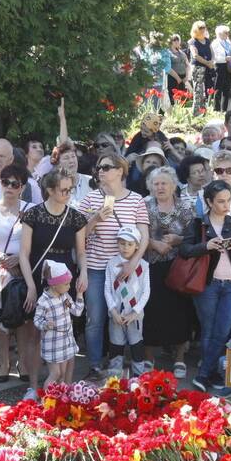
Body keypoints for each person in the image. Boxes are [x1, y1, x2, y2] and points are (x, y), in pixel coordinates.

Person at [18, 170, 88, 398]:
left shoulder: (76, 217)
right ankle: (33, 385)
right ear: (49, 190)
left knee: (67, 333)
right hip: (39, 276)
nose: (68, 194)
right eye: (64, 190)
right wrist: (30, 285)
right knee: (35, 333)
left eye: (71, 189)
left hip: (66, 278)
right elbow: (24, 253)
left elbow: (81, 252)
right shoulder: (33, 214)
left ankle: (66, 387)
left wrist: (84, 274)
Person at [78, 152, 149, 378]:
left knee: (127, 316)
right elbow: (79, 235)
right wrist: (96, 218)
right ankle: (95, 364)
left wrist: (134, 262)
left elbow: (144, 236)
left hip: (127, 269)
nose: (100, 170)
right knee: (96, 318)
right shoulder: (90, 199)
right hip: (98, 267)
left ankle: (123, 363)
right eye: (99, 167)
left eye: (106, 167)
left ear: (120, 171)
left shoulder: (136, 199)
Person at [179, 179, 231, 391]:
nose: (226, 205)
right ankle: (212, 374)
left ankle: (204, 373)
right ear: (209, 201)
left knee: (224, 330)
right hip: (207, 283)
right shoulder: (198, 223)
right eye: (220, 201)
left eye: (228, 200)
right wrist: (205, 246)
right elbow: (184, 250)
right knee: (208, 330)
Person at [142, 166, 195, 379]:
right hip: (150, 266)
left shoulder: (186, 208)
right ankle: (148, 357)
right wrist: (153, 243)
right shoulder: (144, 206)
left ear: (173, 185)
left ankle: (180, 358)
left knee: (180, 311)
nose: (160, 187)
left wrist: (177, 240)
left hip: (179, 267)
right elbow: (136, 234)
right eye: (156, 184)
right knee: (150, 311)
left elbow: (193, 238)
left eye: (164, 183)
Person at [0, 164, 33, 383]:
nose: (9, 187)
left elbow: (35, 242)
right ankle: (4, 362)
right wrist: (0, 257)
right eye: (5, 182)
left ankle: (22, 362)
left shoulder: (31, 209)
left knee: (22, 320)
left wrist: (19, 257)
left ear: (22, 187)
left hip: (23, 268)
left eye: (15, 183)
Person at [104, 225, 150, 376]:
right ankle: (114, 378)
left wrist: (135, 312)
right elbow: (107, 289)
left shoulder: (143, 266)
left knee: (136, 344)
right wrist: (113, 311)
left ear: (137, 245)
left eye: (130, 244)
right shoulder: (111, 263)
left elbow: (146, 292)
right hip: (116, 314)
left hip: (134, 316)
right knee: (116, 345)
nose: (125, 247)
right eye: (122, 243)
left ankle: (138, 378)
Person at [33, 260, 85, 386]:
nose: (69, 287)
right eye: (66, 284)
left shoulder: (65, 296)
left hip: (65, 340)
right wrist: (45, 325)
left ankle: (59, 399)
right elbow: (37, 320)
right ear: (54, 285)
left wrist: (80, 294)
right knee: (55, 373)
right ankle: (45, 399)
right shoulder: (44, 301)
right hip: (53, 343)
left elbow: (77, 311)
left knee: (62, 374)